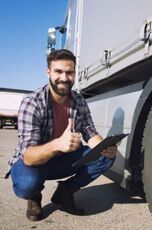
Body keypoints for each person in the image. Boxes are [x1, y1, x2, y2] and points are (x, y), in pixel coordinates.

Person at [6, 49, 118, 221]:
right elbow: (28, 156)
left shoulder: (79, 101)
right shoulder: (33, 103)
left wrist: (104, 147)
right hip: (35, 162)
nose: (64, 78)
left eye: (69, 72)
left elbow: (90, 132)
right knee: (27, 185)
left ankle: (65, 192)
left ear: (74, 73)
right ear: (48, 72)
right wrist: (58, 144)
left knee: (106, 157)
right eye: (58, 71)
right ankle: (34, 196)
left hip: (63, 159)